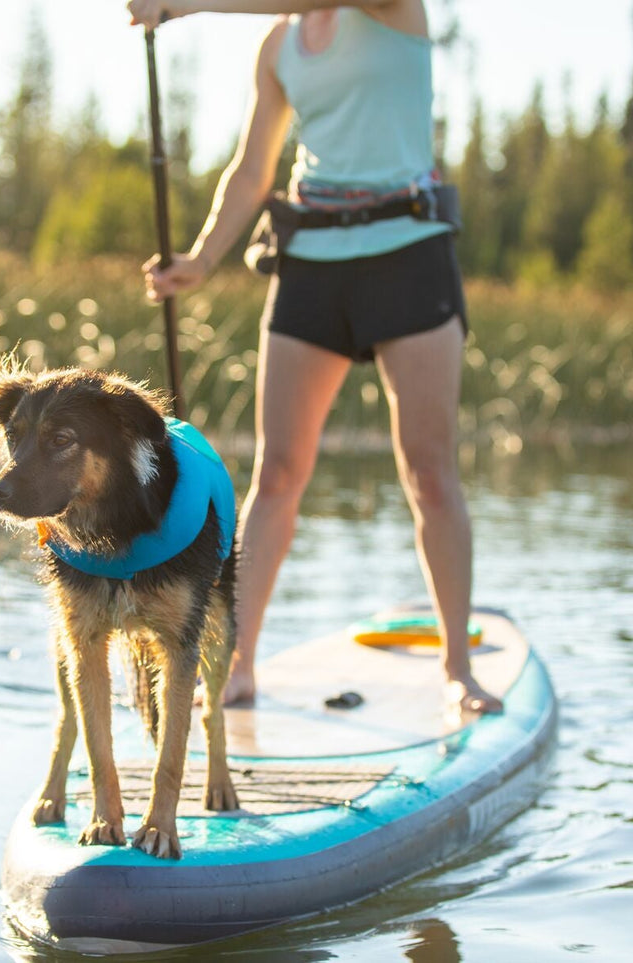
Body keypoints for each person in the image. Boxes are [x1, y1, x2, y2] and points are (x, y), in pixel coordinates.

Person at [126, 0, 503, 715]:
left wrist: (189, 3)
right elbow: (251, 170)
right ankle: (235, 662)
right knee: (277, 472)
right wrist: (202, 260)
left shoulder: (394, 8)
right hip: (312, 264)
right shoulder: (278, 44)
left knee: (428, 469)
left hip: (408, 253)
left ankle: (457, 667)